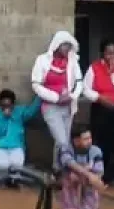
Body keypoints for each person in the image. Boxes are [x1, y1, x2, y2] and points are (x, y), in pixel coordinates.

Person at [84, 41, 114, 184]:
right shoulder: (94, 67)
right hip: (100, 107)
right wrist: (99, 98)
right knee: (101, 140)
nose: (111, 56)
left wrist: (113, 74)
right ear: (102, 54)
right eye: (108, 53)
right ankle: (102, 172)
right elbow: (86, 89)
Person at [31, 31, 83, 168]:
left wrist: (72, 95)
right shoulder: (42, 60)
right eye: (64, 45)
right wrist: (55, 98)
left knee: (62, 140)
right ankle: (66, 169)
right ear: (57, 45)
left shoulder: (72, 61)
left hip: (68, 106)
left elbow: (79, 81)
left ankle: (57, 168)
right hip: (50, 107)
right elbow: (36, 84)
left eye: (69, 45)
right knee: (62, 140)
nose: (67, 48)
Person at [0, 89, 41, 171]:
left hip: (16, 146)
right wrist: (4, 117)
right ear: (0, 104)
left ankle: (14, 182)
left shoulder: (19, 111)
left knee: (17, 165)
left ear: (13, 104)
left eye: (9, 105)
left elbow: (31, 111)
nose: (6, 107)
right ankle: (3, 182)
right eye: (4, 105)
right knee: (1, 165)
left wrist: (41, 95)